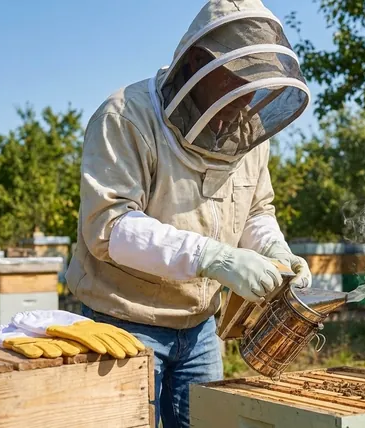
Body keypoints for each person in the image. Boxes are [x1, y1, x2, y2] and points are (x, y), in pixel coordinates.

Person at [65, 0, 312, 426]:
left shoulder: (247, 131)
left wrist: (274, 249)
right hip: (123, 321)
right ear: (198, 62)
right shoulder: (126, 117)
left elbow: (256, 209)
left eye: (257, 84)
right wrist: (216, 258)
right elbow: (109, 226)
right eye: (239, 79)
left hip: (200, 329)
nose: (247, 97)